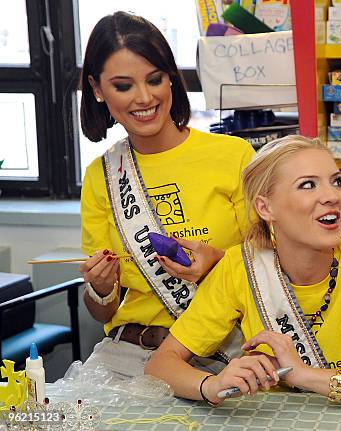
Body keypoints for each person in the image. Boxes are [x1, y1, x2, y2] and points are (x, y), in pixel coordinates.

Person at [145, 135, 341, 409]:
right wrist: (211, 385)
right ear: (265, 208)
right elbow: (161, 365)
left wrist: (305, 375)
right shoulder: (241, 266)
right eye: (308, 185)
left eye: (336, 182)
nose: (333, 196)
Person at [78, 11, 254, 378]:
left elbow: (274, 267)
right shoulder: (102, 176)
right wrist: (101, 287)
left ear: (171, 77)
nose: (144, 98)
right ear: (97, 89)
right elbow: (103, 311)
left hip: (223, 352)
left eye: (154, 79)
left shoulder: (234, 156)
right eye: (123, 86)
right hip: (126, 354)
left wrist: (218, 262)